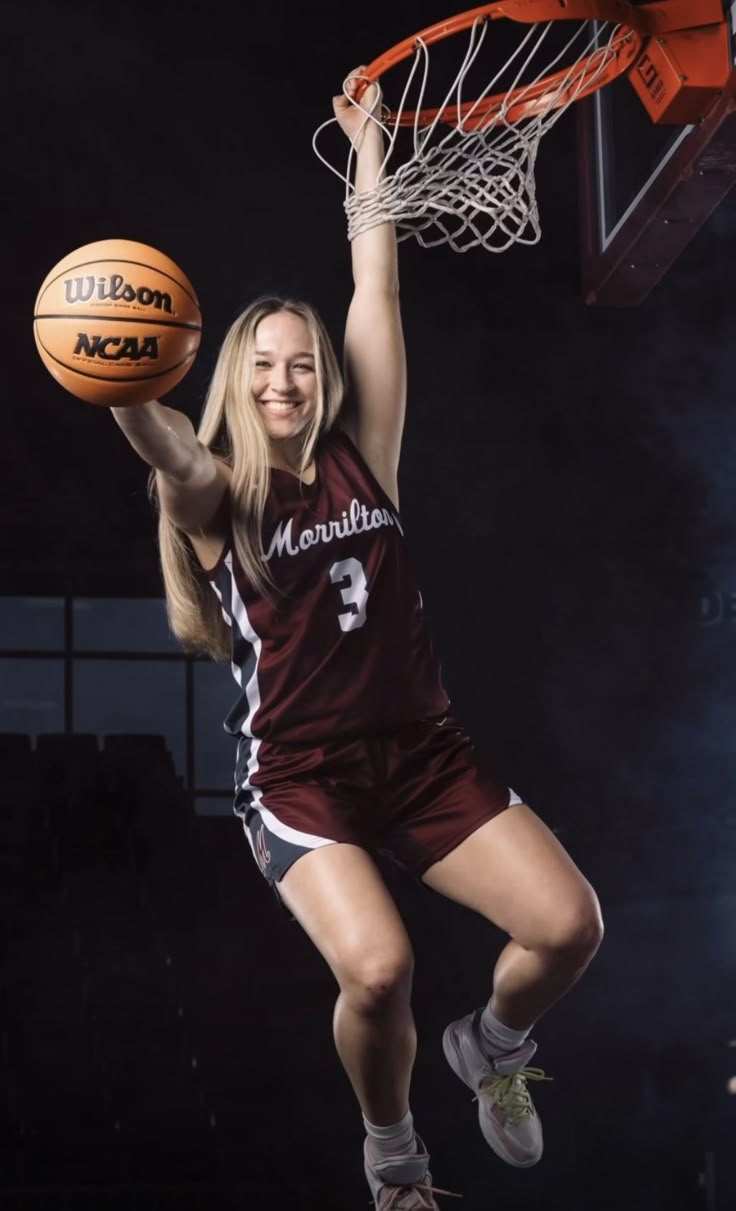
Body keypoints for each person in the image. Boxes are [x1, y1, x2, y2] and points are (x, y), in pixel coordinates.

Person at [112, 67, 604, 1211]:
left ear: (321, 376)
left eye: (301, 360)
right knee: (380, 968)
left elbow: (372, 277)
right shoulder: (217, 491)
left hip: (423, 751)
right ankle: (395, 1160)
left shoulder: (363, 451)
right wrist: (121, 371)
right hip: (303, 776)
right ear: (235, 378)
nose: (286, 376)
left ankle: (490, 1047)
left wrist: (371, 147)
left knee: (570, 927)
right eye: (265, 362)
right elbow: (162, 443)